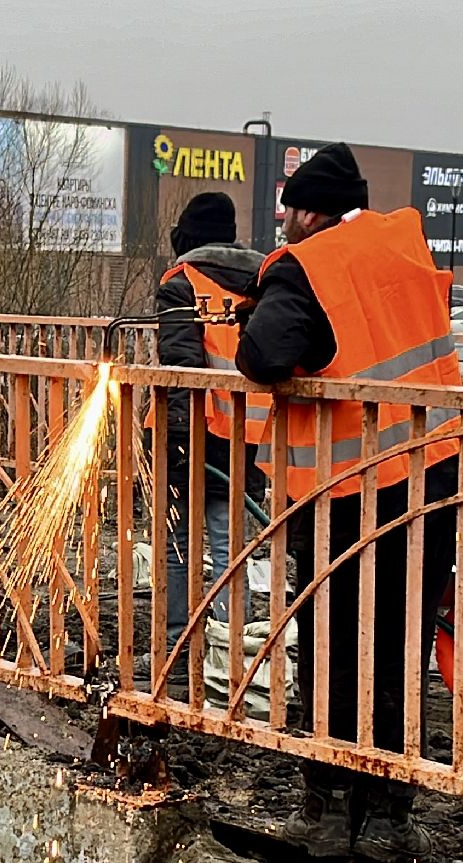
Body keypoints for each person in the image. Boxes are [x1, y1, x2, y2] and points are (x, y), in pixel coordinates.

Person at [234, 144, 463, 862]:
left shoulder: (309, 266)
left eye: (286, 212)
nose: (283, 225)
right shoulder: (404, 244)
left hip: (349, 491)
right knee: (401, 644)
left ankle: (329, 809)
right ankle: (390, 819)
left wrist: (262, 310)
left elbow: (263, 355)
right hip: (431, 474)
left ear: (308, 210)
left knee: (334, 644)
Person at [148, 192, 265, 688]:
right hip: (249, 437)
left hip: (191, 434)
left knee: (178, 546)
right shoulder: (263, 281)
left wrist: (177, 440)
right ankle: (227, 654)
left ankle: (177, 650)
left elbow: (180, 366)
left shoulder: (181, 282)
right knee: (229, 549)